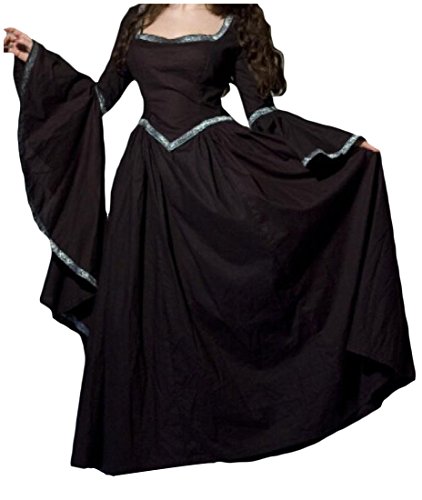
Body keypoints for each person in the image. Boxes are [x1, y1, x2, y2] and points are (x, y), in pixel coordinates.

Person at [4, 3, 415, 476]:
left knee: (228, 296)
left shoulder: (234, 22)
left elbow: (263, 116)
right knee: (145, 302)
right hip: (146, 182)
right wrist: (39, 62)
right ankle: (150, 436)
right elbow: (96, 100)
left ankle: (248, 414)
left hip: (215, 177)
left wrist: (337, 149)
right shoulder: (136, 19)